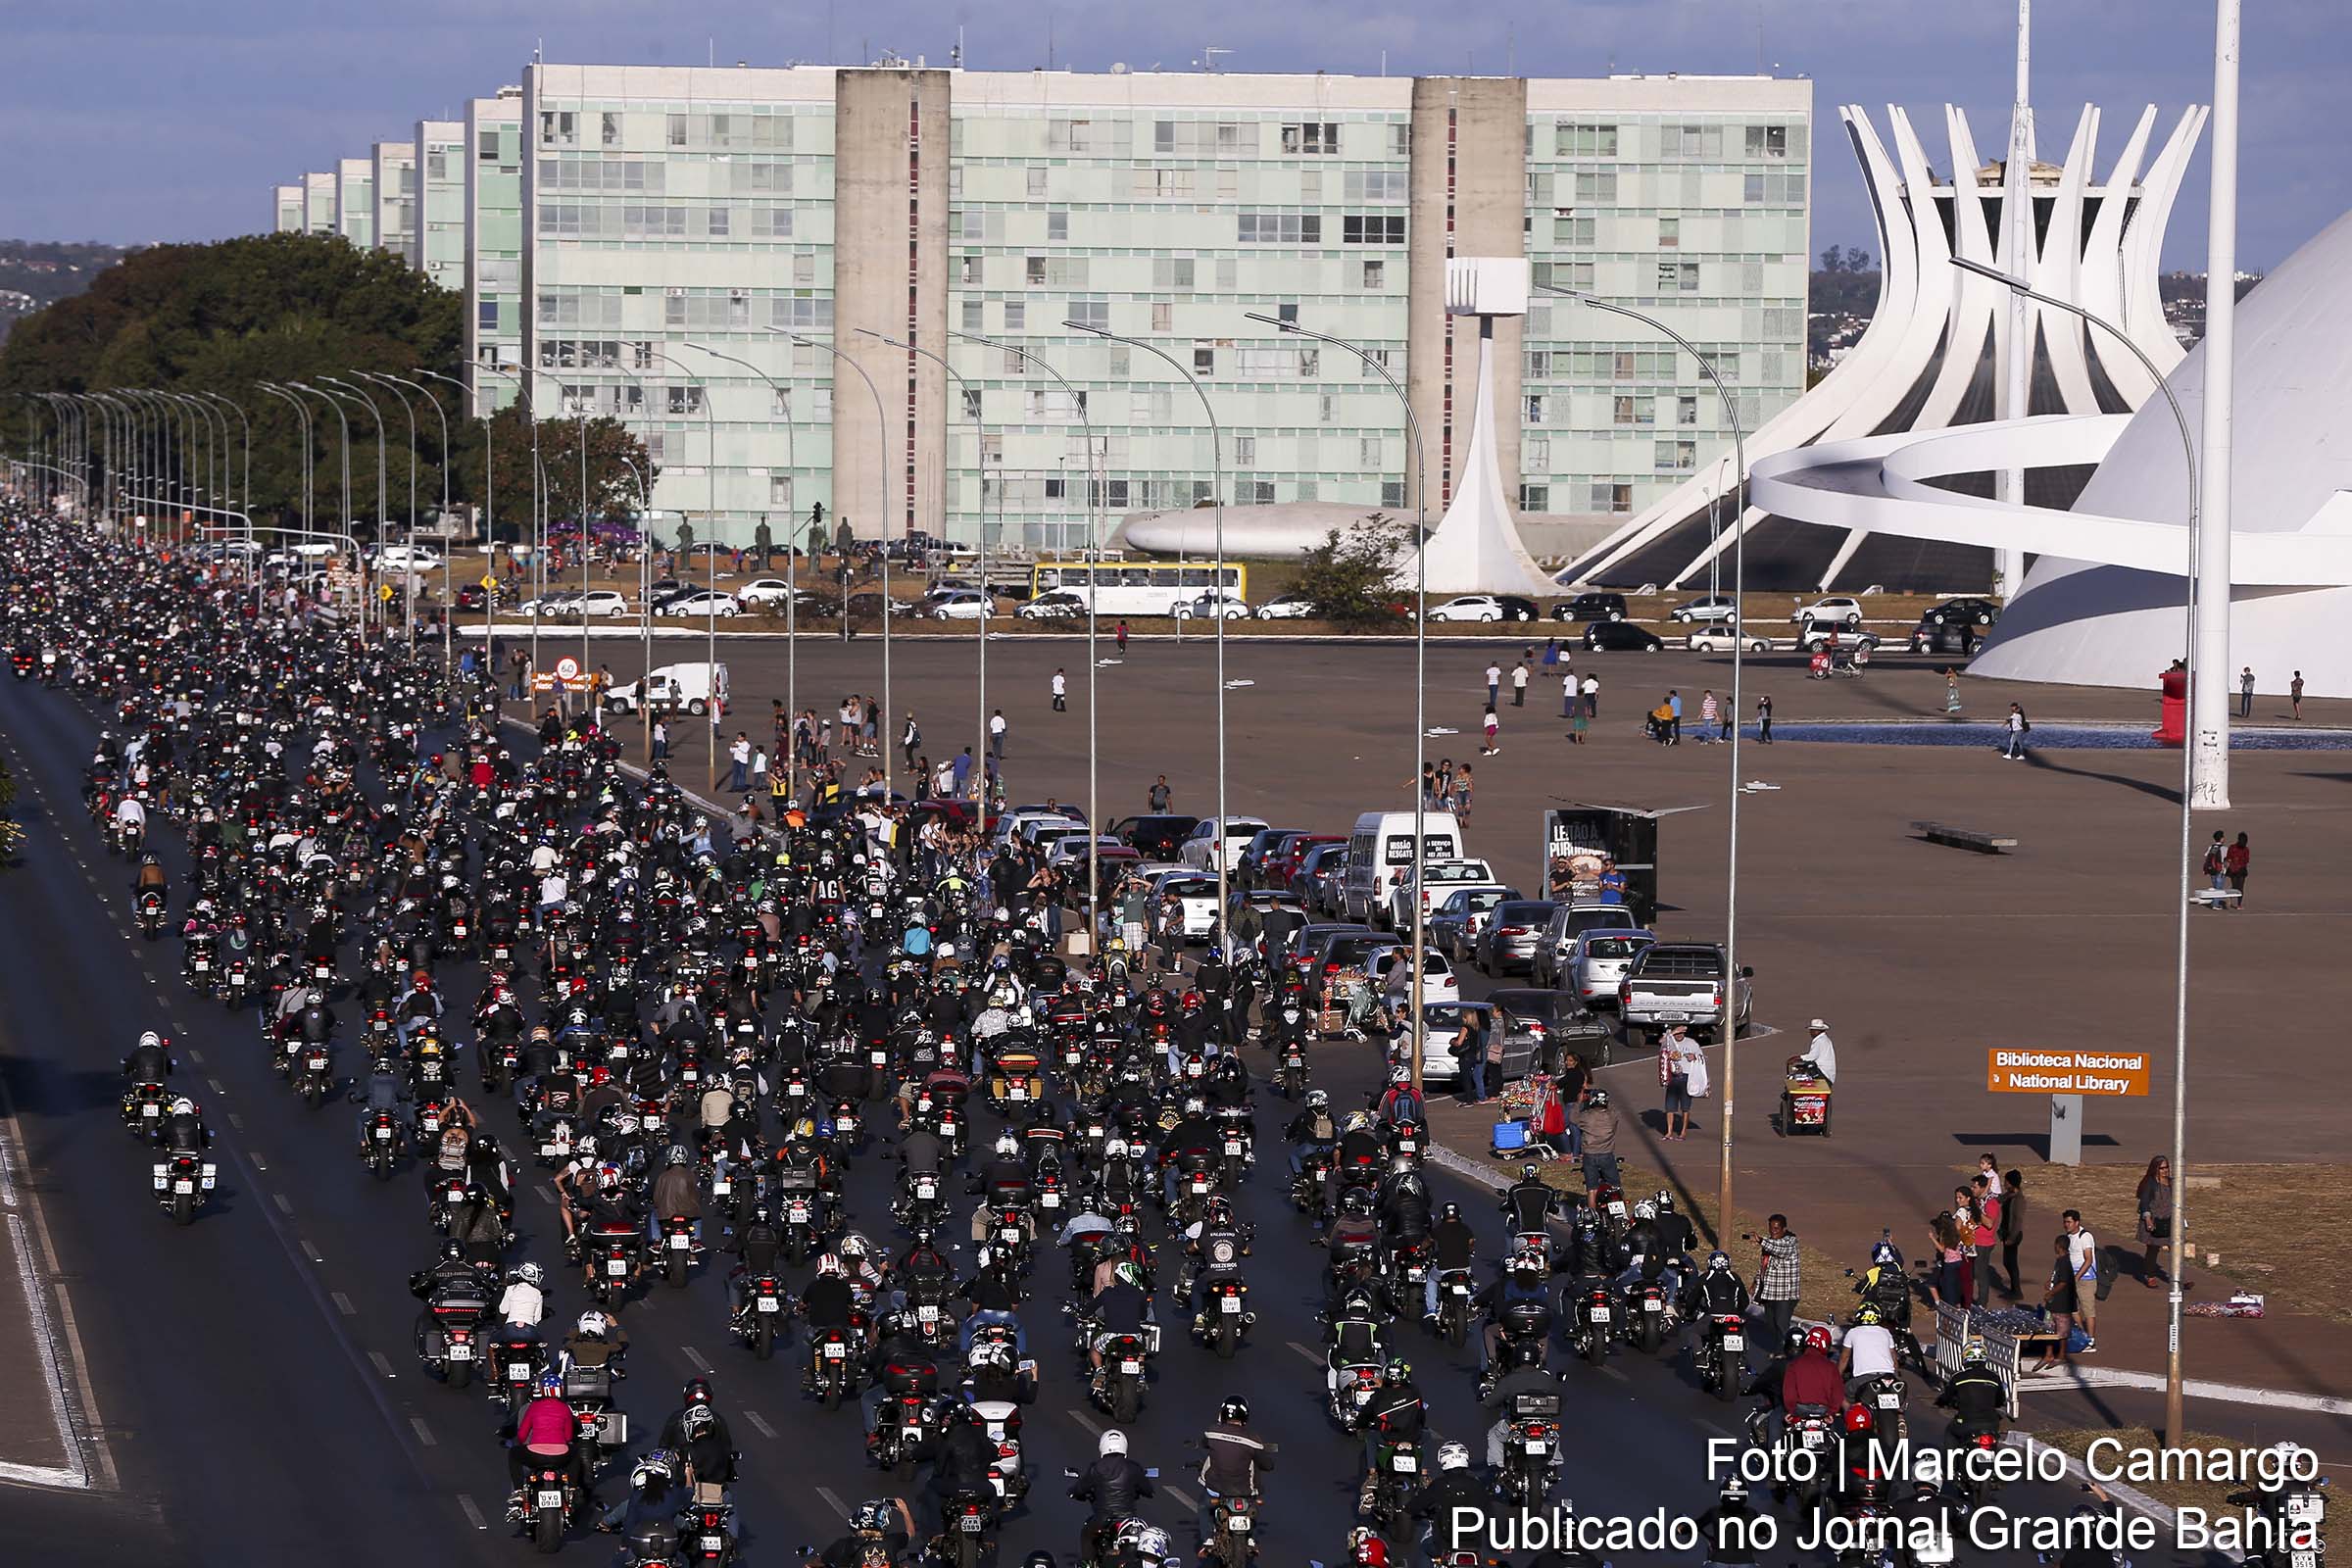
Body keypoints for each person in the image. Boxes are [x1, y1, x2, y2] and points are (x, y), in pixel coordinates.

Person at [1195, 1396, 1272, 1551]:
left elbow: (1202, 1443)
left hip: (1216, 1489)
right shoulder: (1253, 1440)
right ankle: (1250, 1539)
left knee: (1203, 1507)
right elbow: (1267, 1465)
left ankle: (1208, 1538)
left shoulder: (1212, 1432)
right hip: (1243, 1491)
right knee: (1254, 1508)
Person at [1068, 1428, 1153, 1567]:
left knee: (1087, 1535)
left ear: (1103, 1446)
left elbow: (1080, 1488)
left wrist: (1073, 1492)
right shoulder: (1133, 1467)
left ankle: (1088, 1564)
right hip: (1128, 1520)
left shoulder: (1095, 1468)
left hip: (1102, 1519)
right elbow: (1149, 1491)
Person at [2031, 1235, 2079, 1373]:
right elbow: (2057, 1277)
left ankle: (2061, 1354)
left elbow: (2063, 1282)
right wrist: (2050, 1282)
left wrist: (2051, 1293)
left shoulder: (2065, 1262)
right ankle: (2048, 1354)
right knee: (2048, 1329)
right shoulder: (2060, 1261)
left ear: (2058, 1246)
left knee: (2062, 1331)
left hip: (2063, 1303)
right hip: (2053, 1304)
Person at [2135, 1154, 2185, 1287]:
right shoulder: (2150, 1184)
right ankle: (2150, 1276)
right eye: (2162, 1168)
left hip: (2170, 1221)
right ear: (2155, 1169)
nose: (2165, 1170)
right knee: (2153, 1249)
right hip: (2154, 1221)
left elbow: (2178, 1202)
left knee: (2175, 1250)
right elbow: (2144, 1203)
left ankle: (2177, 1278)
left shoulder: (2172, 1183)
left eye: (2167, 1167)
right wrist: (2148, 1220)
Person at [1754, 1214, 1802, 1344]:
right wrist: (1757, 1282)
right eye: (1771, 1228)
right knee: (1771, 1326)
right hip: (1770, 1293)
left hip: (1785, 1296)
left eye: (1776, 1229)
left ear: (1784, 1229)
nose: (1773, 1231)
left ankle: (1784, 1355)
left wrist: (1761, 1241)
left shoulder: (1790, 1242)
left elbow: (1780, 1249)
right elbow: (1765, 1266)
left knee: (1782, 1328)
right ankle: (1778, 1350)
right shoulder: (1770, 1243)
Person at [2062, 1210, 2099, 1351]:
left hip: (2086, 1279)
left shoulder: (2085, 1236)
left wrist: (2076, 1277)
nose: (2066, 1225)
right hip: (2072, 1278)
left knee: (2088, 1310)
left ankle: (2091, 1341)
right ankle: (2083, 1334)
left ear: (2077, 1222)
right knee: (2072, 1308)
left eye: (2069, 1222)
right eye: (2065, 1222)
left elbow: (2088, 1259)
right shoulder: (2068, 1237)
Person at [1573, 1089, 1619, 1191]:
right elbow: (1614, 1111)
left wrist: (1579, 1102)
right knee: (1615, 1186)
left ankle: (1592, 1207)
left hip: (1590, 1154)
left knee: (1592, 1188)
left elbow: (1573, 1118)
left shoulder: (1586, 1116)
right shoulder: (1612, 1116)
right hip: (1607, 1154)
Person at [1795, 1018, 1837, 1084]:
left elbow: (1812, 1056)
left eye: (1812, 1030)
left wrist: (1798, 1058)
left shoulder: (1820, 1041)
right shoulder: (1824, 1039)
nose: (1810, 1032)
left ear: (1817, 1031)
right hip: (1828, 1073)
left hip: (1823, 1073)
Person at [2226, 832, 2251, 907]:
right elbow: (2228, 857)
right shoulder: (2232, 847)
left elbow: (2246, 860)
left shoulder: (2246, 849)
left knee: (2240, 887)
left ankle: (2239, 904)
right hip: (2233, 869)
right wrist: (2232, 861)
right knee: (2235, 886)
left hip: (2241, 870)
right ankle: (2231, 899)